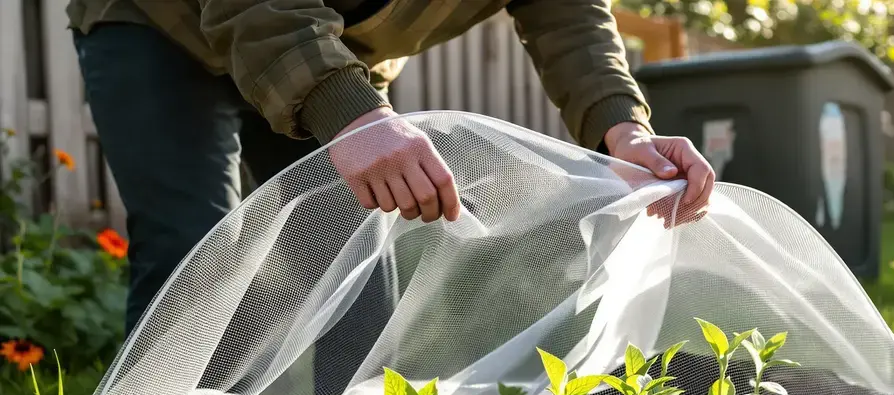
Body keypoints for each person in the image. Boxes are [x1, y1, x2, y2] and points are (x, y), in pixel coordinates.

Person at [67, 0, 717, 334]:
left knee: (351, 259)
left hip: (324, 44)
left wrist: (622, 127)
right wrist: (352, 114)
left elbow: (566, 14)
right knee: (194, 251)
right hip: (158, 22)